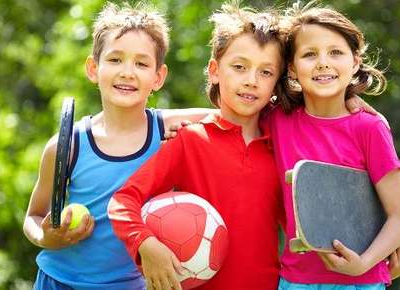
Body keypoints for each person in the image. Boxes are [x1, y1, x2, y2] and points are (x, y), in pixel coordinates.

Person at [23, 2, 215, 289]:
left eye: (141, 63)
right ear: (93, 68)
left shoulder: (167, 128)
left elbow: (229, 118)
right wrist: (45, 237)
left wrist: (194, 132)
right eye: (115, 60)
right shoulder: (68, 146)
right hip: (58, 281)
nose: (127, 72)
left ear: (158, 77)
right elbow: (33, 216)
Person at [108, 3, 287, 290]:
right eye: (239, 67)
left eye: (266, 72)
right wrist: (147, 245)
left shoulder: (281, 151)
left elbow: (301, 228)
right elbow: (123, 202)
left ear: (277, 83)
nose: (251, 81)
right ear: (215, 71)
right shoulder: (190, 141)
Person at [268, 2, 400, 289]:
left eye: (335, 52)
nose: (323, 62)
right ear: (291, 67)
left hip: (362, 281)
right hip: (295, 281)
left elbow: (398, 213)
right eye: (309, 54)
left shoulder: (369, 128)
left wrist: (364, 263)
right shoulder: (277, 120)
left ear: (355, 62)